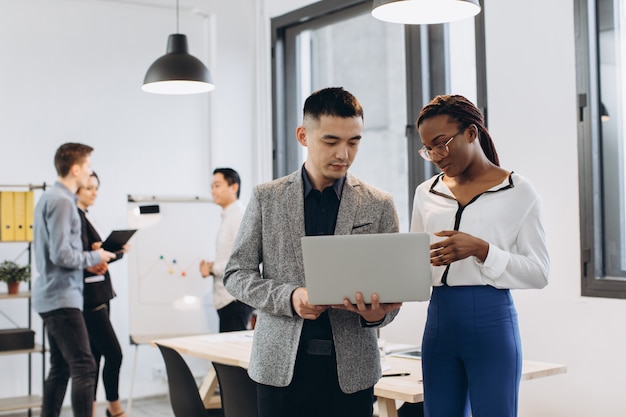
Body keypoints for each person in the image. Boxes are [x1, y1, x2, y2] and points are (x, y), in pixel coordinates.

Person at [224, 87, 402, 417]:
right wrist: (290, 298)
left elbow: (392, 297)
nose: (344, 154)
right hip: (279, 368)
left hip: (352, 372)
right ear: (303, 135)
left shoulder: (379, 205)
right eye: (331, 141)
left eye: (354, 142)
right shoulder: (267, 198)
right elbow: (236, 274)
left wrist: (377, 314)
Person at [410, 94, 550, 417]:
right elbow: (416, 264)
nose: (435, 156)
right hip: (438, 322)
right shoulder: (425, 193)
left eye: (441, 144)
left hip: (491, 322)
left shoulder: (518, 191)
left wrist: (482, 250)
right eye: (428, 149)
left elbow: (540, 271)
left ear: (471, 133)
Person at [32, 143, 117, 417]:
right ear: (76, 169)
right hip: (61, 298)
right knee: (84, 365)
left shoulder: (50, 197)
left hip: (53, 296)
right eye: (88, 167)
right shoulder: (62, 201)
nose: (90, 173)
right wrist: (97, 256)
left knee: (61, 367)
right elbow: (61, 255)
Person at [76, 172, 128, 417]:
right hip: (90, 298)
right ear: (76, 189)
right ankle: (114, 408)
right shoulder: (74, 219)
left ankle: (93, 411)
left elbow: (98, 259)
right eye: (89, 188)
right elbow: (82, 259)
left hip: (101, 294)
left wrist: (116, 251)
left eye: (96, 188)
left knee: (96, 357)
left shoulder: (87, 217)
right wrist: (99, 252)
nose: (94, 192)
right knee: (114, 354)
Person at [199, 168, 254, 332]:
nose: (213, 191)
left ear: (234, 187)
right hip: (226, 299)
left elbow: (243, 260)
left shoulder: (239, 217)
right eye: (212, 186)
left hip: (235, 299)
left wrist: (212, 268)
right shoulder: (228, 217)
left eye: (217, 185)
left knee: (228, 356)